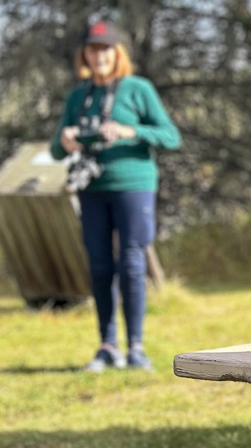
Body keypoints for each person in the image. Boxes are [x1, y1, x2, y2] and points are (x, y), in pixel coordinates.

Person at [50, 19, 181, 372]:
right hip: (92, 188)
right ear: (86, 55)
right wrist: (65, 140)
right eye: (93, 49)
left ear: (117, 53)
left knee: (132, 263)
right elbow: (56, 150)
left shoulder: (138, 89)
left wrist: (128, 130)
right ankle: (108, 346)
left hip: (133, 185)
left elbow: (171, 136)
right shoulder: (79, 96)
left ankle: (136, 347)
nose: (99, 56)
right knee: (99, 266)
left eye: (106, 49)